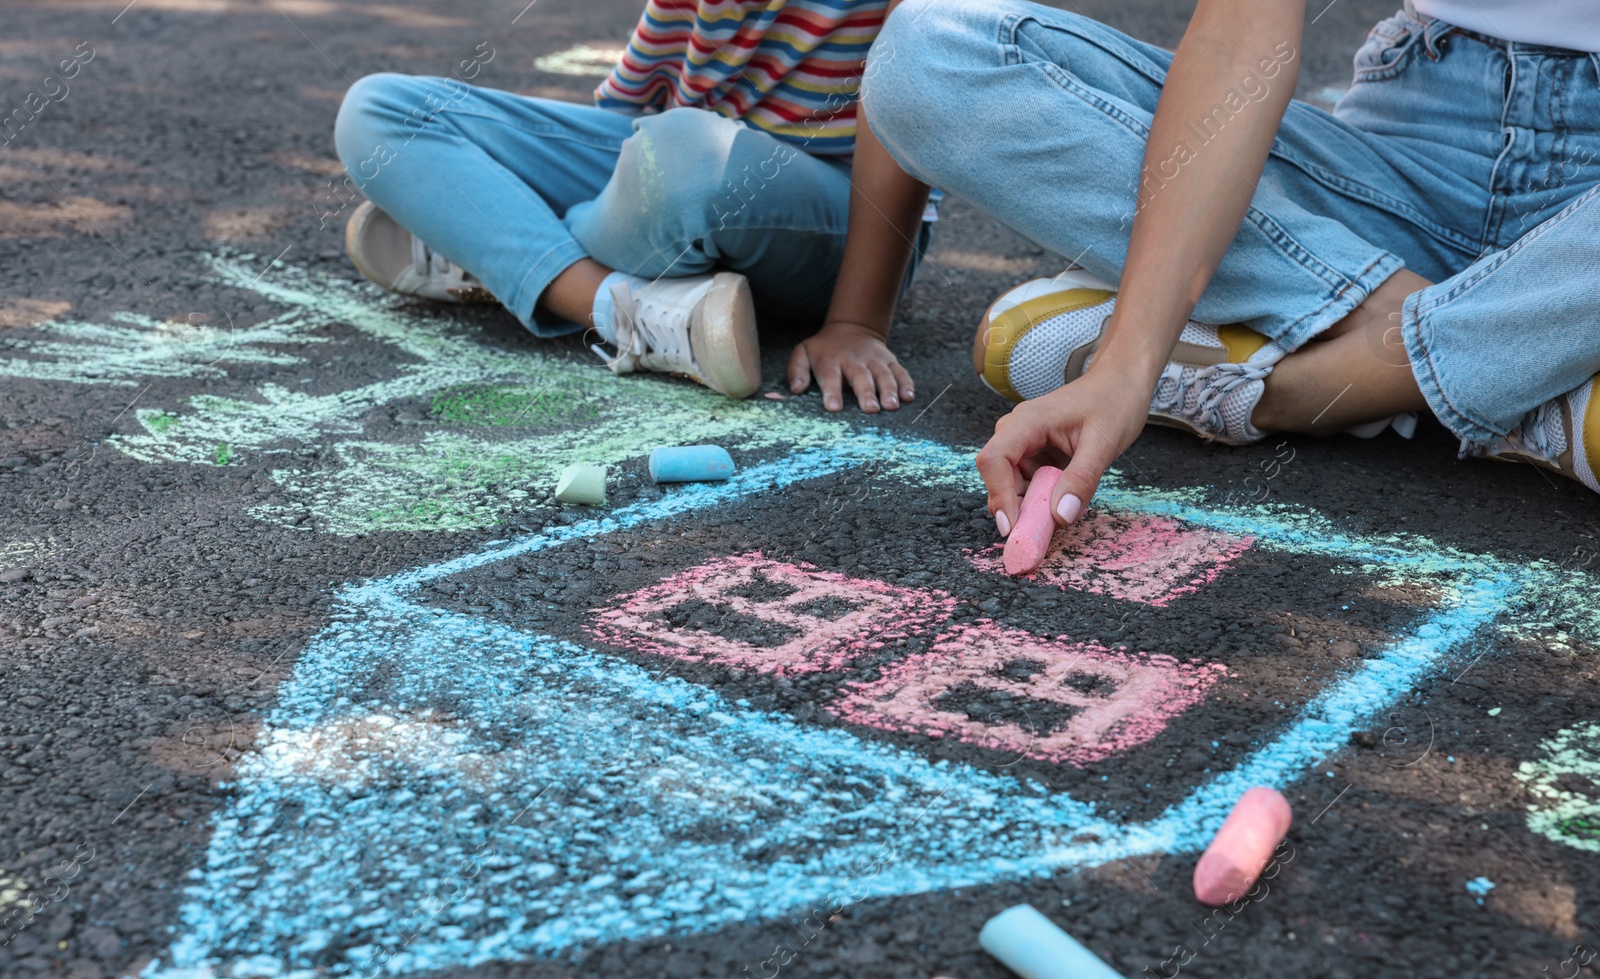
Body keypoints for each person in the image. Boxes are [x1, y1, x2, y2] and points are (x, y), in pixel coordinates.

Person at [860, 0, 1600, 535]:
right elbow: (1239, 39)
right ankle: (1532, 363)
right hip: (1419, 142)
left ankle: (1298, 387)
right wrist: (1125, 368)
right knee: (929, 56)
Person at [332, 0, 931, 412]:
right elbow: (627, 120)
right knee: (381, 109)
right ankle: (623, 310)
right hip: (670, 171)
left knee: (685, 154)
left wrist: (856, 322)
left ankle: (503, 244)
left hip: (841, 225)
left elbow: (912, 95)